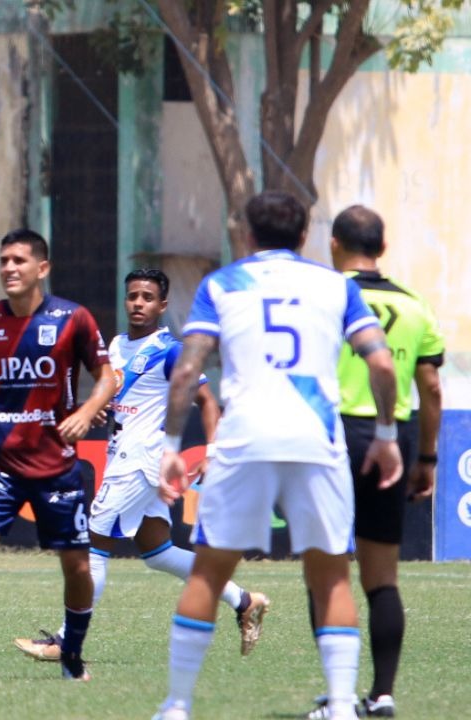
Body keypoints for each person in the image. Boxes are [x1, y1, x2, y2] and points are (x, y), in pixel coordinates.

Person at [151, 191, 401, 720]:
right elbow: (381, 365)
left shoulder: (222, 285)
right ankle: (339, 706)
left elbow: (185, 369)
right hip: (316, 439)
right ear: (306, 235)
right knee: (330, 575)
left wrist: (172, 446)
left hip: (245, 438)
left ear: (246, 235)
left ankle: (176, 706)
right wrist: (384, 434)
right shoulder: (335, 286)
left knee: (209, 572)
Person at [15, 268, 269, 662]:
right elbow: (116, 399)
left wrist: (213, 452)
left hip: (141, 463)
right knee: (158, 552)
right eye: (133, 295)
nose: (139, 303)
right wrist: (100, 412)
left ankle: (66, 641)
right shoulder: (115, 345)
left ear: (162, 305)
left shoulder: (170, 350)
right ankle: (243, 600)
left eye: (148, 297)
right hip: (123, 457)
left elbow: (209, 403)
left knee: (92, 546)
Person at [0, 228, 117, 682]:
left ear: (42, 269)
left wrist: (88, 410)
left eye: (19, 261)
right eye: (4, 261)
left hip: (56, 467)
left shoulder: (73, 318)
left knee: (76, 565)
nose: (9, 268)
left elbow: (107, 376)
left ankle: (71, 653)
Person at [305, 205, 444, 719]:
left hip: (332, 433)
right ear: (381, 248)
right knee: (381, 577)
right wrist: (427, 456)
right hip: (392, 436)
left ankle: (337, 696)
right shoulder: (416, 306)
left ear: (335, 243)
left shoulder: (325, 297)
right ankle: (382, 694)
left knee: (324, 569)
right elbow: (431, 387)